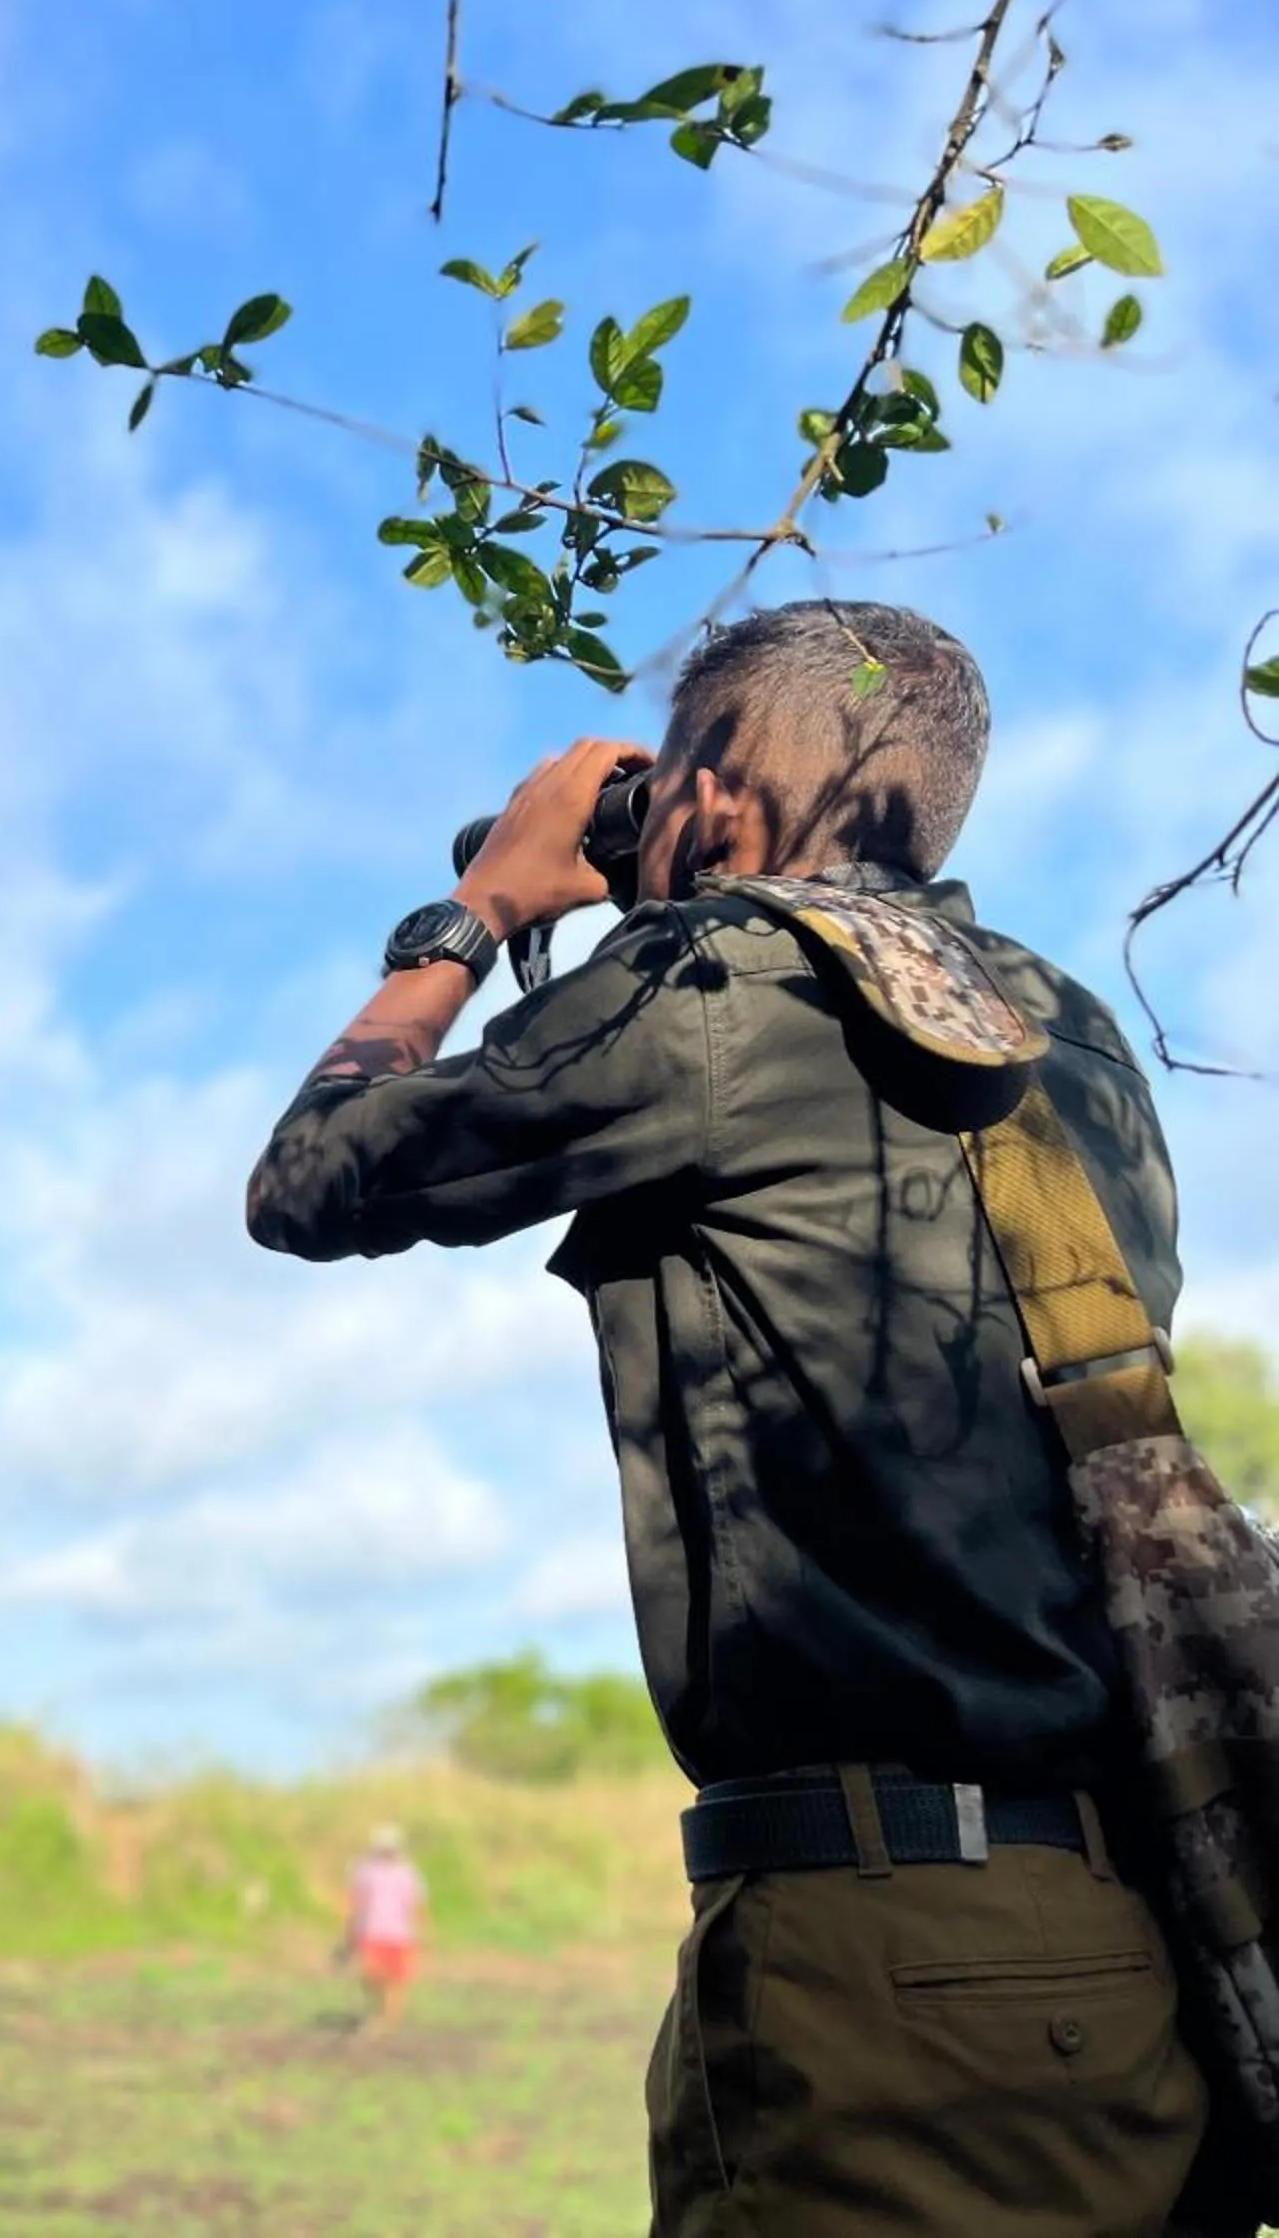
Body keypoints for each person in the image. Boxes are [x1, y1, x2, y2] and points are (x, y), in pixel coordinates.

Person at [243, 601, 1240, 2236]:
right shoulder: (1080, 1041)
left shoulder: (717, 984)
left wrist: (480, 906)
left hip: (882, 1975)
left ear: (704, 798)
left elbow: (311, 1177)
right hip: (1123, 1944)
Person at [341, 1823, 426, 2035]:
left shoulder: (408, 1872)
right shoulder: (365, 1869)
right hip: (371, 1931)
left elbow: (415, 1903)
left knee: (396, 1980)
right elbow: (355, 1898)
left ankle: (389, 2021)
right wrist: (350, 1927)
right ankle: (379, 2014)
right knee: (371, 1975)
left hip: (399, 1933)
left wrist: (419, 1930)